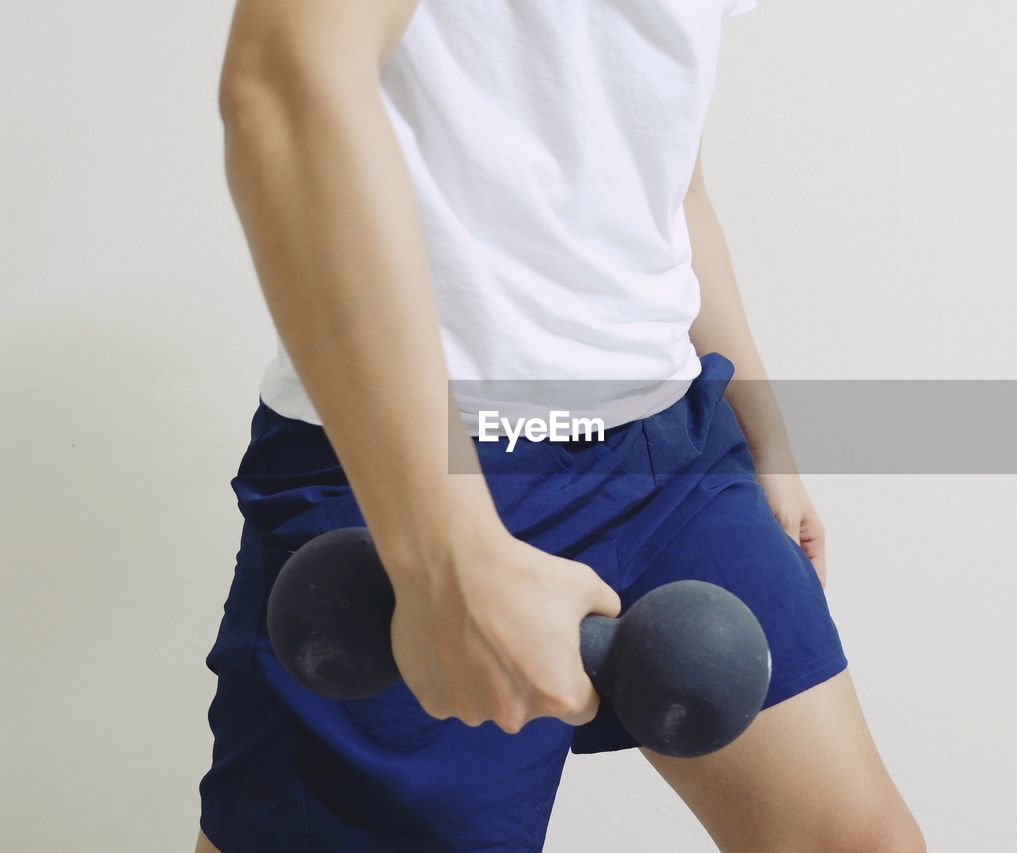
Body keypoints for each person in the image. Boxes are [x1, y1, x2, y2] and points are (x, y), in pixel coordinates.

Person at [196, 1, 925, 850]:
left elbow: (665, 171)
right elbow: (285, 84)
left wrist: (761, 425)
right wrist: (445, 550)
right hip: (428, 461)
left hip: (667, 443)